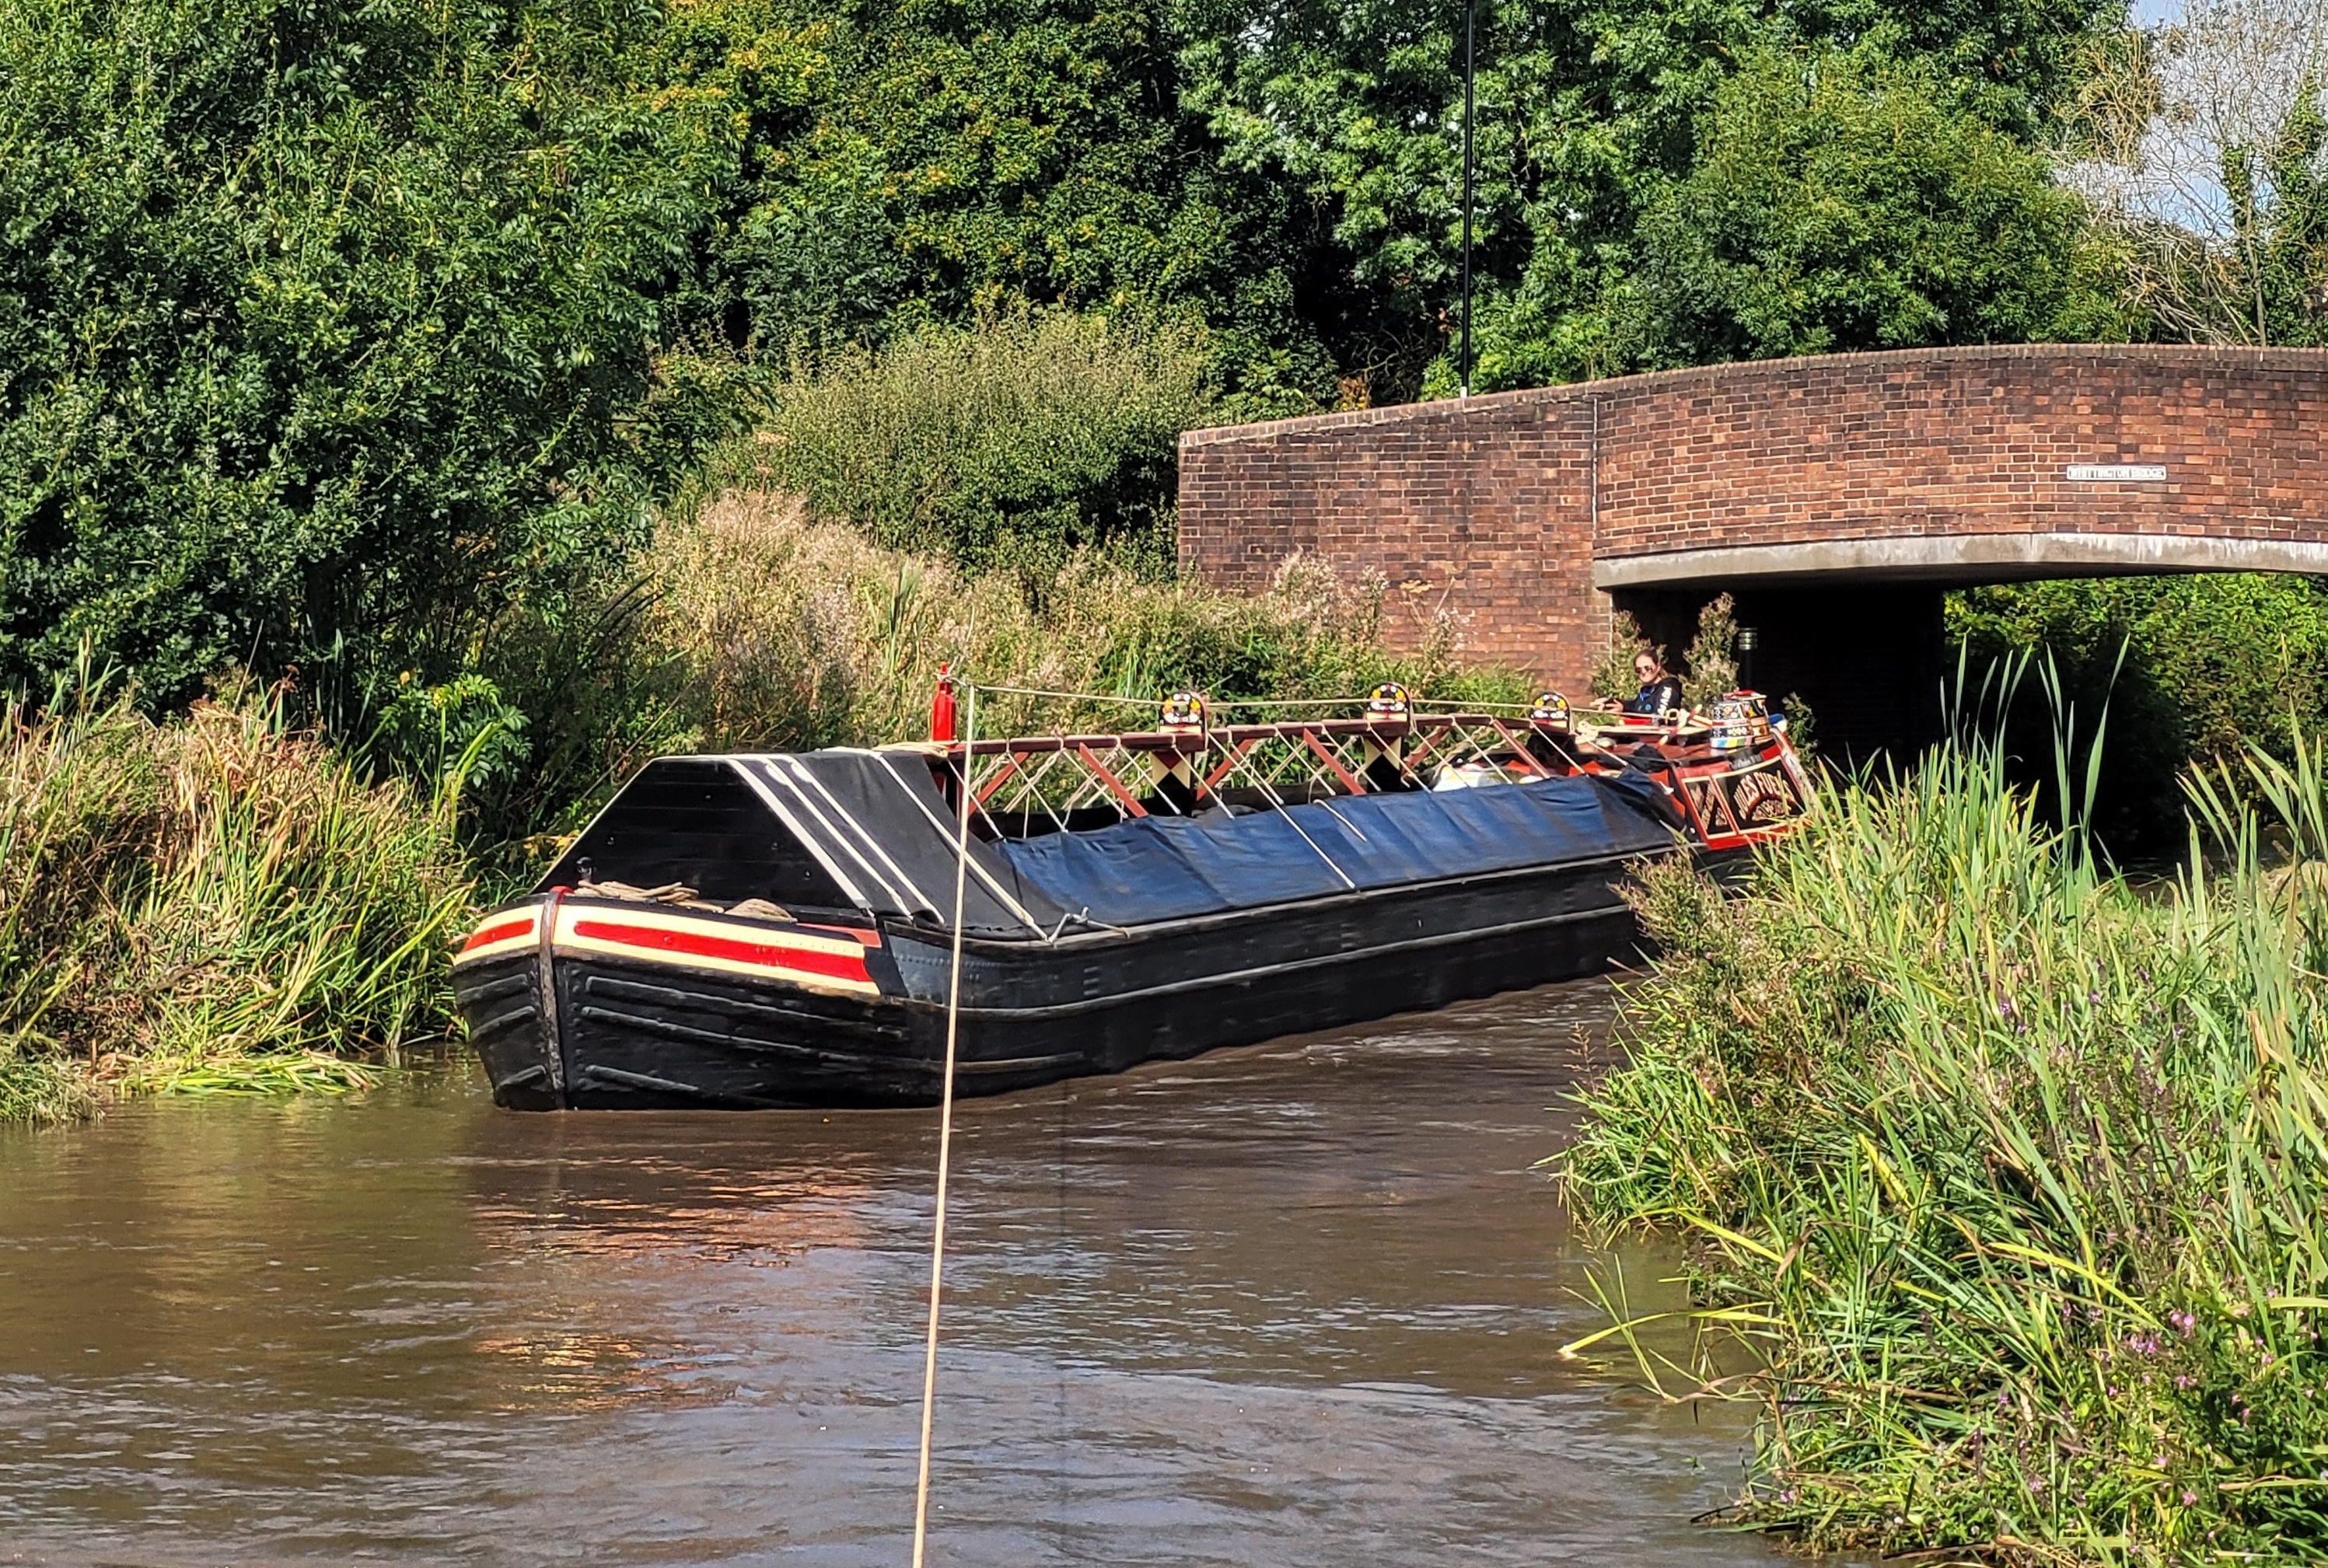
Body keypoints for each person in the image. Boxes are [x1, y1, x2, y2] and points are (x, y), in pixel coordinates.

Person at [1596, 649, 1683, 717]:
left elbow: (1660, 718)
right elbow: (1634, 706)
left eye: (1648, 668)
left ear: (1658, 668)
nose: (1643, 672)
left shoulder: (1668, 686)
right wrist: (1609, 703)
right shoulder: (1645, 692)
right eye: (1638, 670)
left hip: (1660, 737)